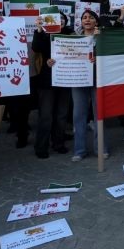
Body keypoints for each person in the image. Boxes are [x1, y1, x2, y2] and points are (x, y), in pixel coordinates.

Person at [49, 9, 107, 161]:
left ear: (96, 21)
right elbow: (62, 55)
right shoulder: (72, 37)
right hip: (78, 80)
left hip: (98, 79)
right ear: (81, 21)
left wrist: (99, 55)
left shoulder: (102, 36)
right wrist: (53, 61)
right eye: (84, 17)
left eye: (91, 17)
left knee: (99, 114)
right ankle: (79, 150)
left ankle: (101, 148)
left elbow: (109, 56)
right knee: (78, 115)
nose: (87, 20)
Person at [32, 13, 73, 159]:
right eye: (57, 18)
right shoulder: (44, 35)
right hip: (46, 81)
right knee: (46, 116)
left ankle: (58, 143)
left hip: (65, 80)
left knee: (61, 115)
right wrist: (39, 29)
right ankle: (41, 147)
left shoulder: (71, 35)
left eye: (63, 19)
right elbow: (36, 48)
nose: (60, 21)